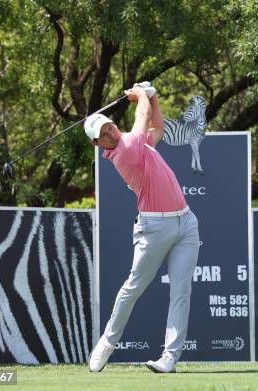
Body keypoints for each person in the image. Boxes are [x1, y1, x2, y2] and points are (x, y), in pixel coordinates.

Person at [84, 82, 200, 373]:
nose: (110, 131)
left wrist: (154, 98)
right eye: (102, 134)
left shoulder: (135, 142)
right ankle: (107, 344)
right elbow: (142, 116)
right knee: (133, 288)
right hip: (154, 228)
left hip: (185, 222)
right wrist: (140, 96)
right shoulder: (124, 152)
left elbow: (157, 127)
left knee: (181, 291)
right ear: (98, 145)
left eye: (109, 125)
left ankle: (169, 358)